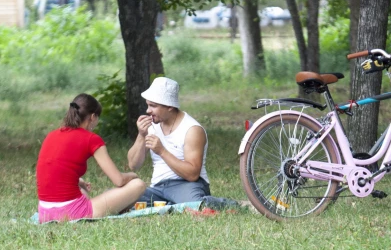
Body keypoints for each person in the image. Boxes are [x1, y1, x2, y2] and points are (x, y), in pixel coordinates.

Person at [128, 77, 239, 209]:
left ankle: (228, 205)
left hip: (186, 185)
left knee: (197, 207)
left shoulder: (192, 130)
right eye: (147, 105)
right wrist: (141, 135)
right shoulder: (151, 126)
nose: (148, 111)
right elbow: (133, 165)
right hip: (158, 188)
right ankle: (171, 205)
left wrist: (162, 151)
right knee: (120, 201)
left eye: (153, 106)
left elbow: (192, 174)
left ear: (169, 106)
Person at [36, 93, 146, 223]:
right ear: (93, 117)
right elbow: (119, 180)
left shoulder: (51, 135)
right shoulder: (92, 139)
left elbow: (51, 171)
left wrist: (78, 181)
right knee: (138, 185)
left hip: (44, 213)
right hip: (71, 212)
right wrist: (132, 175)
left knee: (82, 190)